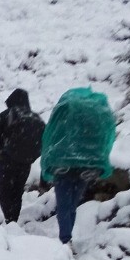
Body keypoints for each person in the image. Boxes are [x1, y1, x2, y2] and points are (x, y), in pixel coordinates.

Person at [40, 88, 116, 246]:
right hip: (86, 166)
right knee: (72, 205)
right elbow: (107, 136)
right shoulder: (92, 122)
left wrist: (50, 162)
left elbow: (50, 137)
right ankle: (67, 236)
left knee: (63, 204)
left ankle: (65, 238)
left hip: (63, 166)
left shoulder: (65, 120)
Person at [0, 89, 46, 223]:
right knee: (17, 193)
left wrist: (0, 149)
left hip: (7, 161)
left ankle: (10, 221)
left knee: (5, 194)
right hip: (26, 162)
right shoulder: (36, 117)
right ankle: (13, 220)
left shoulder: (7, 114)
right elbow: (45, 139)